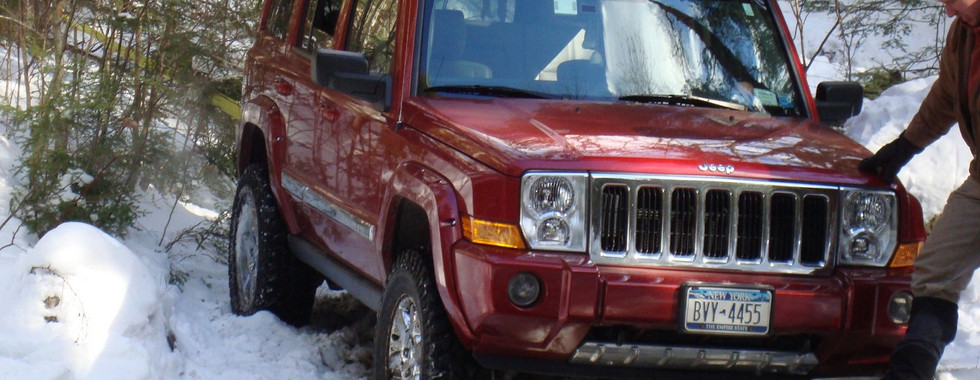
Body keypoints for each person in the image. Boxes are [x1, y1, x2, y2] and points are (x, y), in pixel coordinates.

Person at [858, 0, 980, 378]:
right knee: (935, 269)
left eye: (950, 1)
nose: (945, 11)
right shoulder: (962, 35)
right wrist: (904, 147)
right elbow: (946, 97)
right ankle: (908, 372)